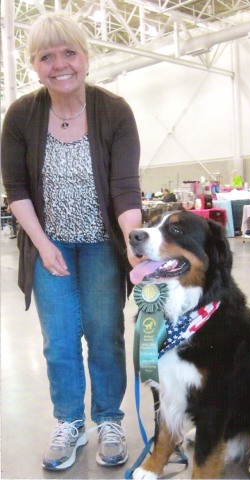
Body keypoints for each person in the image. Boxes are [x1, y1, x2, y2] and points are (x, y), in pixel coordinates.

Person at [1, 11, 143, 472]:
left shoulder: (114, 110)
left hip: (102, 245)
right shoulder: (21, 115)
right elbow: (17, 189)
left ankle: (107, 419)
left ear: (85, 57)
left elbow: (125, 187)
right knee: (59, 342)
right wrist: (42, 245)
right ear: (34, 65)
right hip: (49, 245)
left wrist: (133, 245)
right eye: (46, 56)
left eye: (69, 52)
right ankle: (69, 422)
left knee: (105, 335)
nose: (60, 64)